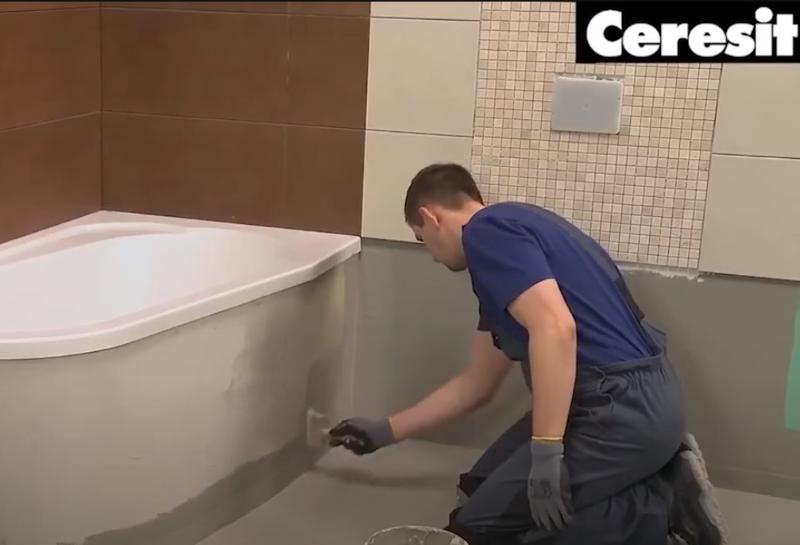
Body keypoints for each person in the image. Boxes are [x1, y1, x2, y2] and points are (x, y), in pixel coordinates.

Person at [329, 163, 724, 545]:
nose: (431, 255)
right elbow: (477, 384)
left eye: (422, 240)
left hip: (618, 410)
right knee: (475, 491)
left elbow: (556, 328)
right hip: (629, 400)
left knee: (479, 531)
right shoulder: (519, 245)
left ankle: (663, 510)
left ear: (430, 217)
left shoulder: (486, 232)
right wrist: (385, 431)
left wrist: (547, 454)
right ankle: (648, 475)